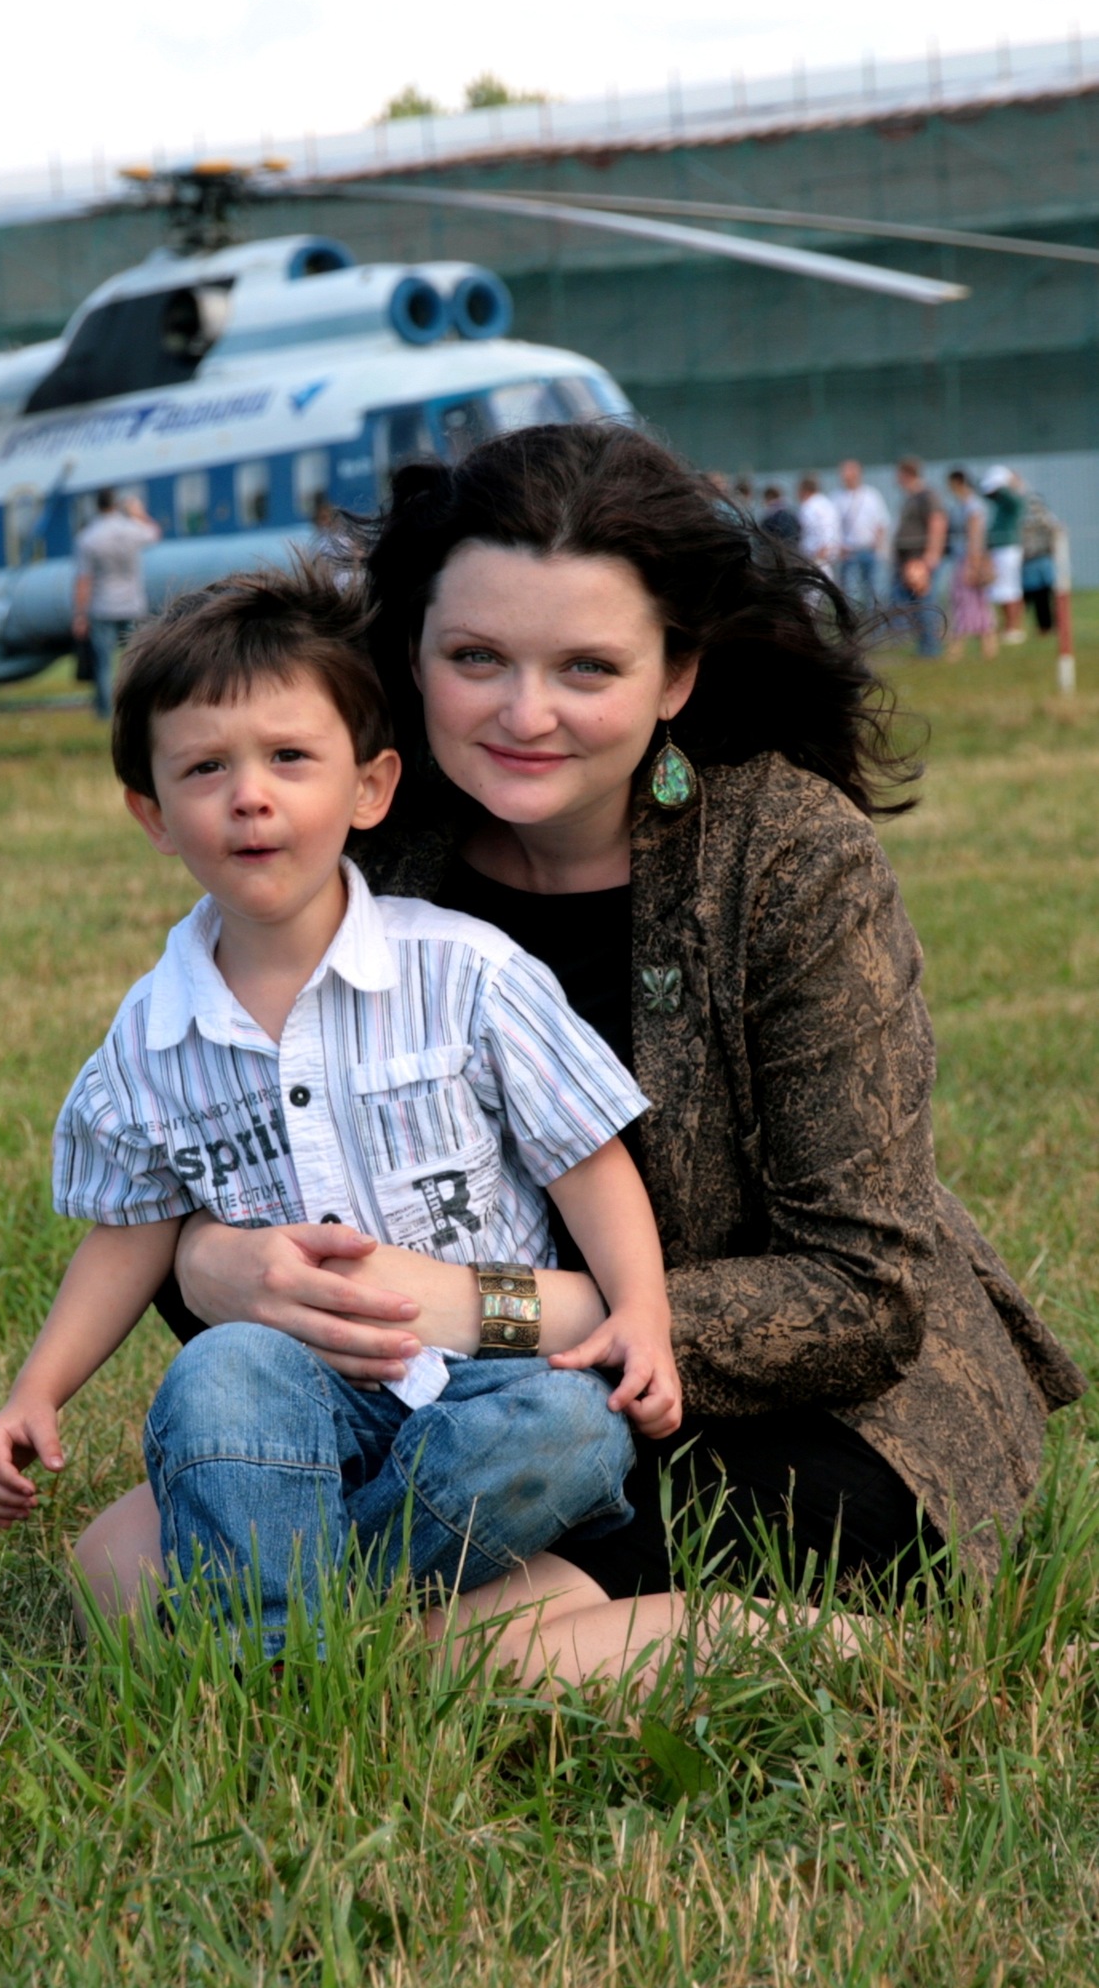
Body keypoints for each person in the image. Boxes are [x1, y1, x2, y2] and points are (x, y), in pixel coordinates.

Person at [98, 423, 1084, 1694]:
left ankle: (842, 1652)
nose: (526, 713)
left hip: (784, 1411)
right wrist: (208, 1260)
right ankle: (424, 1628)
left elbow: (860, 1292)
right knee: (113, 1560)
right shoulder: (364, 837)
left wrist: (490, 1308)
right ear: (412, 655)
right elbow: (233, 1129)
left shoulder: (791, 856)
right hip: (459, 1408)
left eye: (587, 666)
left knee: (426, 1632)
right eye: (475, 658)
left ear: (675, 674)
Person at [0, 565, 685, 1657]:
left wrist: (640, 1310)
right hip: (295, 1388)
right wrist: (38, 1388)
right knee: (215, 1375)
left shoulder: (465, 972)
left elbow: (585, 1159)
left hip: (490, 1383)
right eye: (205, 768)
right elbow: (130, 1232)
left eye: (289, 758)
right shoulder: (150, 1038)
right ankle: (290, 1633)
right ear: (152, 814)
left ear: (369, 787)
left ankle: (292, 1624)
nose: (249, 796)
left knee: (572, 1427)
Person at [72, 488, 161, 717]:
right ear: (116, 504)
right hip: (132, 603)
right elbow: (155, 533)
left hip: (102, 606)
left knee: (104, 663)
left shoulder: (88, 537)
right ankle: (137, 707)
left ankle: (106, 712)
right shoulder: (131, 529)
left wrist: (80, 614)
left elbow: (84, 580)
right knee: (134, 658)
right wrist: (138, 513)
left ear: (97, 505)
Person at [891, 457, 948, 658]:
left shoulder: (926, 496)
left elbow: (938, 522)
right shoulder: (911, 497)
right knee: (914, 605)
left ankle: (931, 648)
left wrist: (932, 554)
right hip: (908, 560)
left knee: (925, 603)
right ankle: (924, 646)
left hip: (919, 559)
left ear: (907, 474)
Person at [944, 470, 996, 661]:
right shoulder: (964, 505)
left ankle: (958, 649)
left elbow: (976, 535)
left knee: (965, 602)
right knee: (975, 603)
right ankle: (988, 648)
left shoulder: (972, 506)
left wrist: (973, 564)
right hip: (965, 559)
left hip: (968, 560)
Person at [832, 459, 890, 612]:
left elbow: (881, 522)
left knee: (873, 592)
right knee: (849, 594)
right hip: (848, 553)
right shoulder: (837, 497)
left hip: (869, 551)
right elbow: (833, 526)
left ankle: (875, 624)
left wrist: (879, 545)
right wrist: (838, 547)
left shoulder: (871, 495)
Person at [978, 465, 1026, 646]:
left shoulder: (1013, 500)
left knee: (1010, 589)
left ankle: (1013, 628)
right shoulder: (1001, 503)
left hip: (1008, 550)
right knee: (1000, 589)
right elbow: (984, 492)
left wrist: (1007, 482)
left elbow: (1010, 497)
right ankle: (1007, 627)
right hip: (1000, 549)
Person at [1020, 483, 1062, 636]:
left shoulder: (1045, 518)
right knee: (1034, 597)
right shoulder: (1044, 518)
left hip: (1040, 561)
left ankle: (1045, 627)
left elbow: (1057, 533)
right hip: (1034, 562)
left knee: (1042, 597)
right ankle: (1020, 627)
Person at [796, 474, 840, 571]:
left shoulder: (808, 506)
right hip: (829, 556)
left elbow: (813, 529)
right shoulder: (827, 503)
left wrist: (822, 550)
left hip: (815, 556)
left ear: (804, 490)